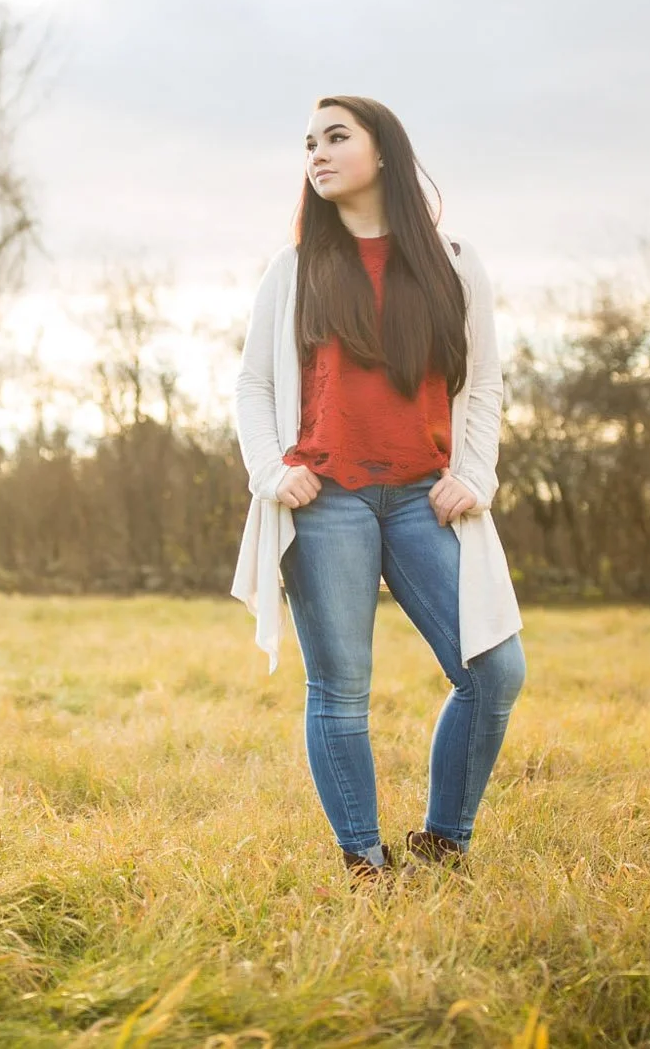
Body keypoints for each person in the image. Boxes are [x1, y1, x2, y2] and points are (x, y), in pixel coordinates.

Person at [231, 94, 527, 883]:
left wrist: (475, 475)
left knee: (496, 670)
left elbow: (487, 383)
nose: (317, 155)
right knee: (341, 688)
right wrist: (273, 470)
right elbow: (254, 385)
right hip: (326, 502)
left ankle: (444, 839)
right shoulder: (295, 270)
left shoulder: (455, 263)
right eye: (309, 144)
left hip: (428, 496)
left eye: (336, 138)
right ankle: (364, 860)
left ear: (383, 152)